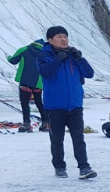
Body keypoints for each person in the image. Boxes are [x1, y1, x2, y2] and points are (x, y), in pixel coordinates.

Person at [37, 26, 97, 179]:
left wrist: (80, 58)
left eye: (65, 36)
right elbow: (46, 73)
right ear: (50, 40)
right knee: (57, 139)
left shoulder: (73, 56)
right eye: (59, 36)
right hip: (55, 106)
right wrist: (58, 59)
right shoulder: (44, 55)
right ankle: (59, 166)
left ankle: (84, 167)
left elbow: (89, 74)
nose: (63, 39)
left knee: (78, 138)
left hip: (75, 105)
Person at [8, 39, 47, 132]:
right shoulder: (45, 53)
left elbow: (13, 60)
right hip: (39, 82)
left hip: (25, 80)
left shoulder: (24, 49)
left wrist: (8, 56)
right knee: (39, 102)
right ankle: (46, 123)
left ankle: (27, 124)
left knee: (25, 103)